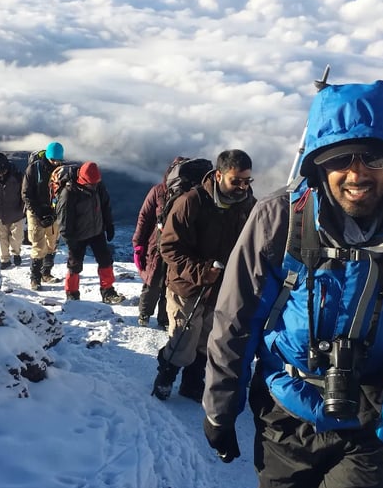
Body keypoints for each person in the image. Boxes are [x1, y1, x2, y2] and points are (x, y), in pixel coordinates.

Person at [202, 81, 383, 488]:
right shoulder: (279, 219)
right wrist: (220, 409)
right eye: (338, 158)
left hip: (377, 415)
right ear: (317, 163)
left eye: (374, 156)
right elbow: (236, 319)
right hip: (287, 408)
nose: (356, 173)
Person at [152, 149, 255, 402]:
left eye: (247, 181)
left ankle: (191, 383)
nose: (242, 187)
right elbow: (169, 247)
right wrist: (202, 272)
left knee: (206, 338)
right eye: (236, 181)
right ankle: (166, 375)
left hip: (220, 287)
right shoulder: (191, 202)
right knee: (184, 339)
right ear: (219, 175)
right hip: (186, 285)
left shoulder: (247, 205)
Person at [54, 161, 126, 304]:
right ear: (82, 179)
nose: (93, 186)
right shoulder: (69, 193)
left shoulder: (98, 185)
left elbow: (105, 206)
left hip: (97, 231)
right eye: (90, 183)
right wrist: (70, 241)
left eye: (96, 182)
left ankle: (108, 292)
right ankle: (72, 294)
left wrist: (109, 225)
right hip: (77, 236)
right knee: (74, 265)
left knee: (105, 260)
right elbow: (64, 220)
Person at [131, 158, 186, 328]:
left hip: (178, 247)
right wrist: (138, 244)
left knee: (170, 285)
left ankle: (165, 318)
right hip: (157, 245)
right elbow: (145, 217)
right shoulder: (158, 191)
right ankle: (145, 313)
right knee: (153, 281)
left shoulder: (189, 195)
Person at [22, 141, 64, 290]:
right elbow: (26, 194)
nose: (56, 162)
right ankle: (35, 278)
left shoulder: (61, 171)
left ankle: (46, 273)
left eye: (58, 160)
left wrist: (55, 212)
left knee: (52, 244)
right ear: (48, 156)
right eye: (53, 159)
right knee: (38, 245)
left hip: (53, 212)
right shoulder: (34, 169)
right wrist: (39, 213)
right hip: (36, 211)